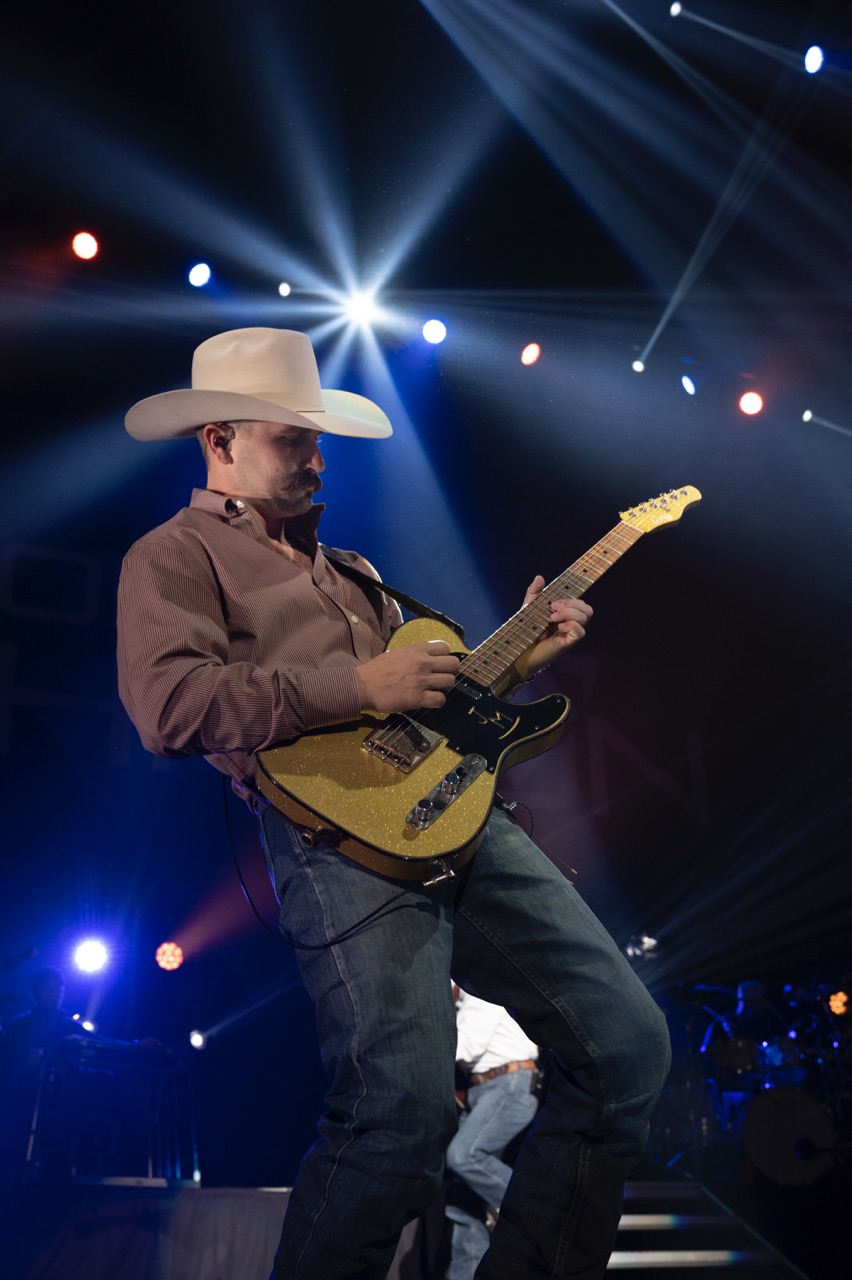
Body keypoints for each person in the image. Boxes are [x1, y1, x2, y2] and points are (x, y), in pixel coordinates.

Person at [116, 327, 671, 1279]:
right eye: (294, 438)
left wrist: (519, 662)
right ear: (219, 440)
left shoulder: (357, 573)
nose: (317, 457)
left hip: (460, 821)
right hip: (334, 844)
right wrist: (356, 686)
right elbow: (169, 709)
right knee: (399, 1118)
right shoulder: (173, 555)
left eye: (317, 438)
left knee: (626, 1047)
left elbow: (420, 718)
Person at [445, 988, 540, 1279]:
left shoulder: (479, 990)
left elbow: (466, 1047)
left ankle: (542, 1217)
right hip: (483, 1091)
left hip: (508, 1084)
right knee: (464, 1201)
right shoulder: (463, 1000)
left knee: (463, 1156)